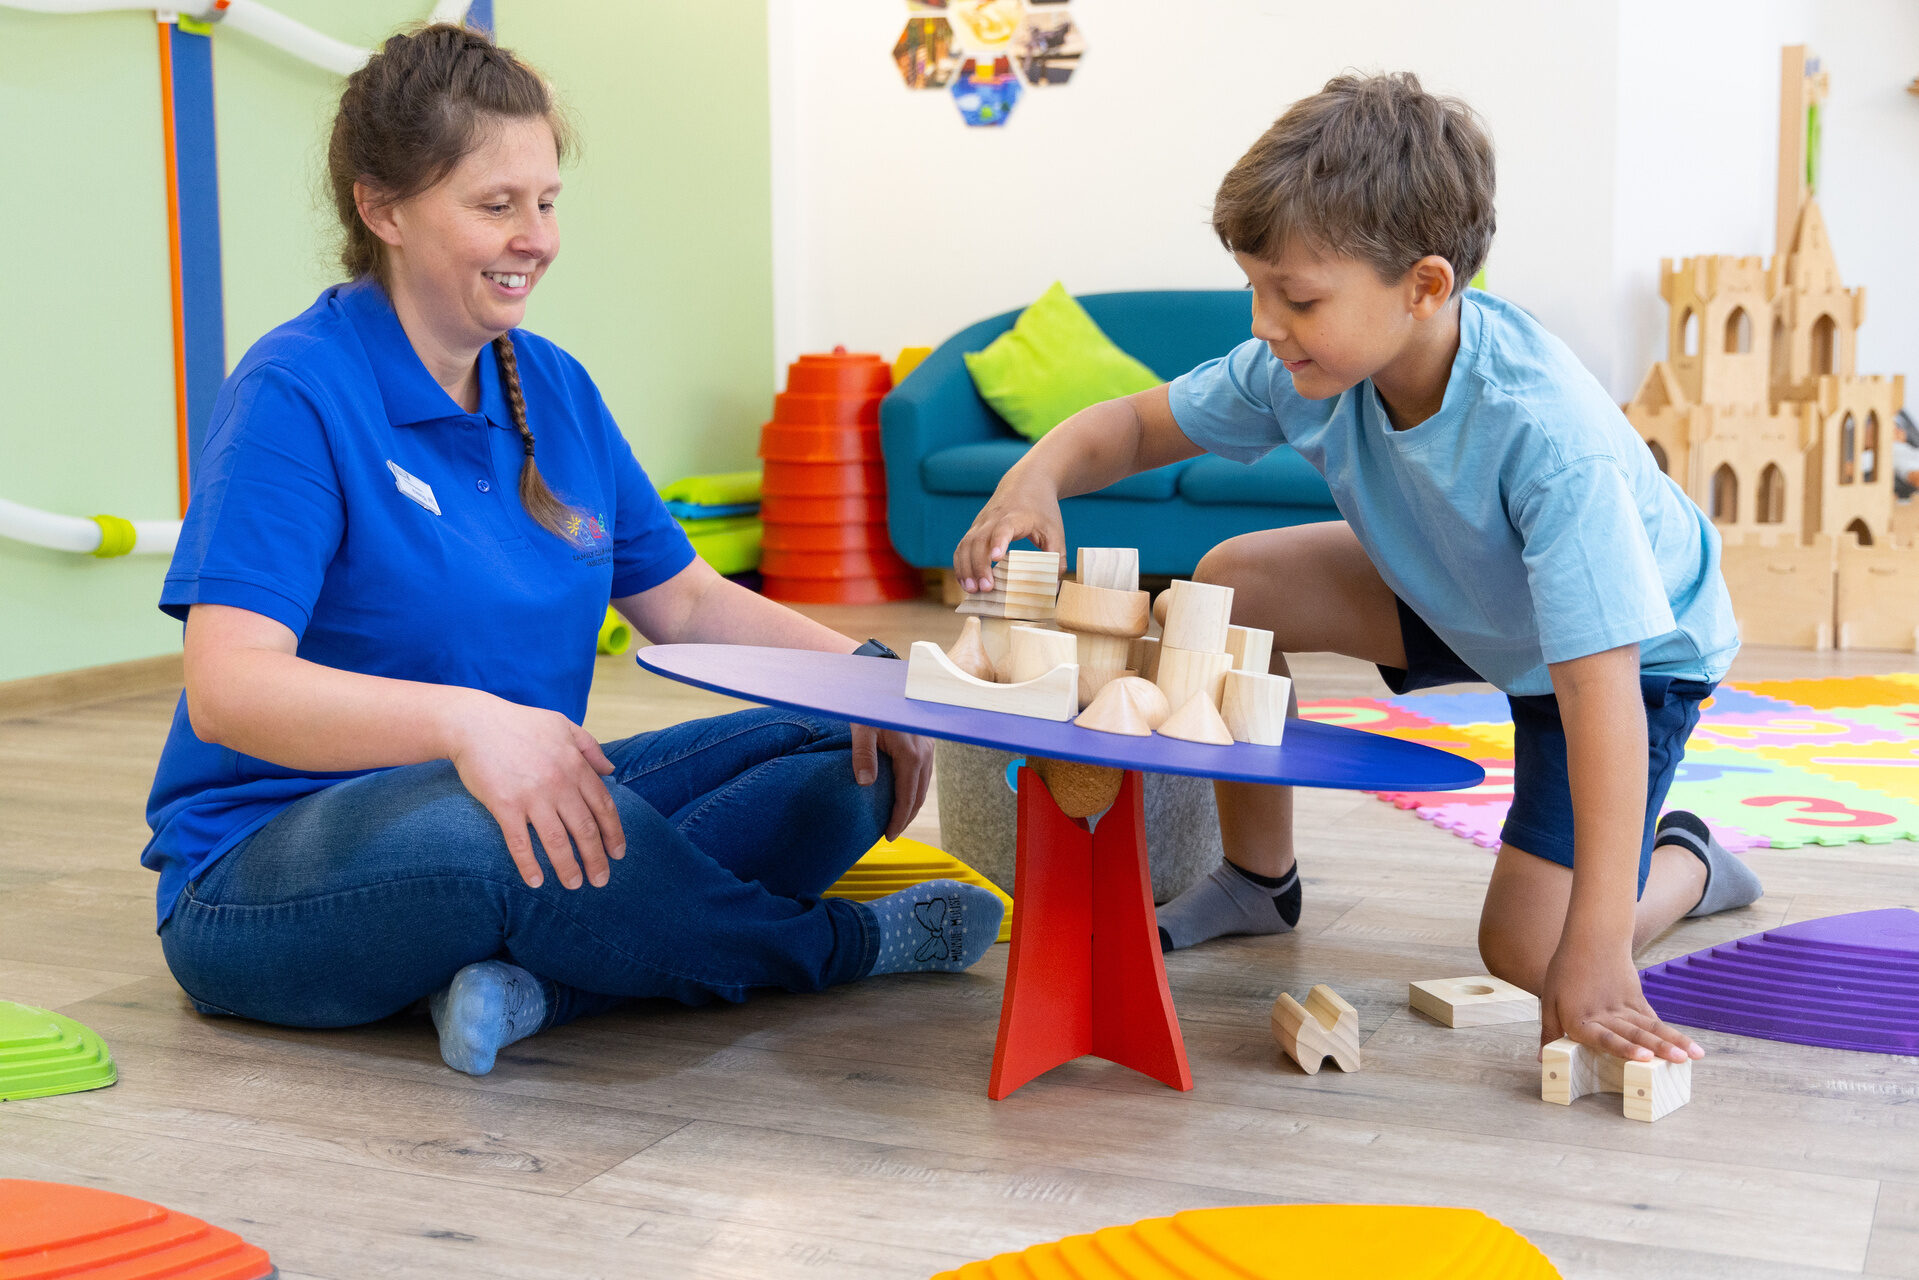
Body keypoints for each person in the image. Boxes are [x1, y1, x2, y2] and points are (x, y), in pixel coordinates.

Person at [143, 24, 1001, 1077]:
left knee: (844, 748)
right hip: (265, 870)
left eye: (546, 202)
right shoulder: (297, 390)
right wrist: (467, 724)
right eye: (495, 205)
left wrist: (874, 679)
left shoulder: (553, 387)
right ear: (383, 210)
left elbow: (687, 602)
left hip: (509, 802)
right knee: (494, 843)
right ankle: (838, 947)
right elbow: (228, 689)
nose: (535, 239)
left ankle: (538, 984)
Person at [955, 73, 1762, 1066]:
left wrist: (1595, 954)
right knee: (1229, 587)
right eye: (1254, 289)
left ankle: (1685, 859)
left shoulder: (1549, 439)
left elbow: (1600, 691)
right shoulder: (1301, 367)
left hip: (1629, 656)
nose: (1263, 323)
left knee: (1531, 952)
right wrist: (1033, 479)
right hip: (1462, 587)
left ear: (1423, 287)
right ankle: (1259, 877)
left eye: (1295, 297)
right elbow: (1131, 425)